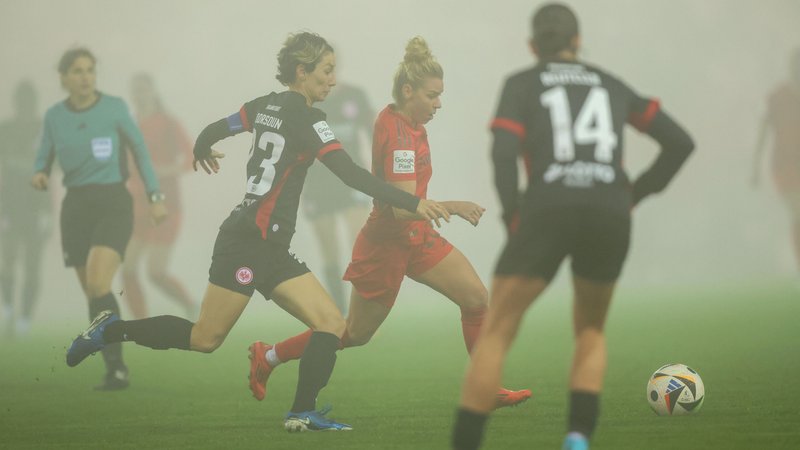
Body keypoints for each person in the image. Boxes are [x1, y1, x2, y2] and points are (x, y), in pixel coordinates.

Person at [64, 31, 450, 432]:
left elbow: (216, 129)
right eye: (326, 71)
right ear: (301, 71)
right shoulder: (310, 120)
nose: (333, 80)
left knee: (331, 324)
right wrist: (413, 202)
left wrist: (201, 148)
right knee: (205, 339)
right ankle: (111, 329)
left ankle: (301, 412)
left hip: (270, 246)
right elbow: (350, 173)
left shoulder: (262, 106)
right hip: (247, 244)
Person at [451, 4, 694, 450]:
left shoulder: (521, 84)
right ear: (578, 42)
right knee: (590, 330)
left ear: (532, 46)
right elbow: (680, 143)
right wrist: (633, 194)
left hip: (547, 207)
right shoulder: (611, 84)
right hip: (608, 212)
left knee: (498, 331)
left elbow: (503, 153)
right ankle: (578, 439)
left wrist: (511, 215)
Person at [247, 37, 531, 410]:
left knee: (476, 298)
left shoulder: (409, 123)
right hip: (386, 245)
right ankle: (268, 356)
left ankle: (484, 387)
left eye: (440, 96)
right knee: (353, 333)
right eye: (432, 96)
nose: (438, 104)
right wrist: (455, 206)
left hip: (417, 238)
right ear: (408, 91)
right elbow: (401, 209)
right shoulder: (398, 136)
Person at [32, 48, 167, 390]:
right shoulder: (54, 116)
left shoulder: (114, 108)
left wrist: (155, 196)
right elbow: (43, 156)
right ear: (63, 78)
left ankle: (118, 369)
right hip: (75, 207)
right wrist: (40, 173)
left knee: (98, 284)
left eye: (90, 70)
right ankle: (114, 367)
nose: (85, 77)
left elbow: (140, 151)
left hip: (113, 203)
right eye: (77, 71)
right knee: (94, 294)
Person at [122, 73, 197, 319]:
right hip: (138, 206)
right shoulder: (129, 125)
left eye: (143, 89)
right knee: (128, 268)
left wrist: (164, 170)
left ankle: (191, 306)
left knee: (155, 272)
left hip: (165, 206)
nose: (139, 94)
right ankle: (140, 324)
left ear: (153, 91)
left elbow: (192, 158)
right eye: (135, 90)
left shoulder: (167, 123)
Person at [302, 80, 375, 313]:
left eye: (331, 67)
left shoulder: (355, 96)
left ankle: (361, 311)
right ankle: (339, 313)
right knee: (329, 250)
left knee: (360, 245)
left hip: (352, 179)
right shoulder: (305, 100)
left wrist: (382, 172)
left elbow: (375, 134)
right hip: (317, 184)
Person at [0, 81, 52, 338]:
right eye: (21, 100)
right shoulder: (5, 130)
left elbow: (50, 172)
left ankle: (24, 320)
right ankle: (8, 308)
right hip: (9, 206)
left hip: (36, 208)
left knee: (32, 264)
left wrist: (48, 211)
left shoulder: (43, 131)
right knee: (8, 259)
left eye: (28, 100)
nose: (24, 105)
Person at [752, 49, 800, 271]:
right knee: (797, 210)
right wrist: (755, 167)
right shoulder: (777, 97)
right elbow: (763, 131)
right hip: (785, 166)